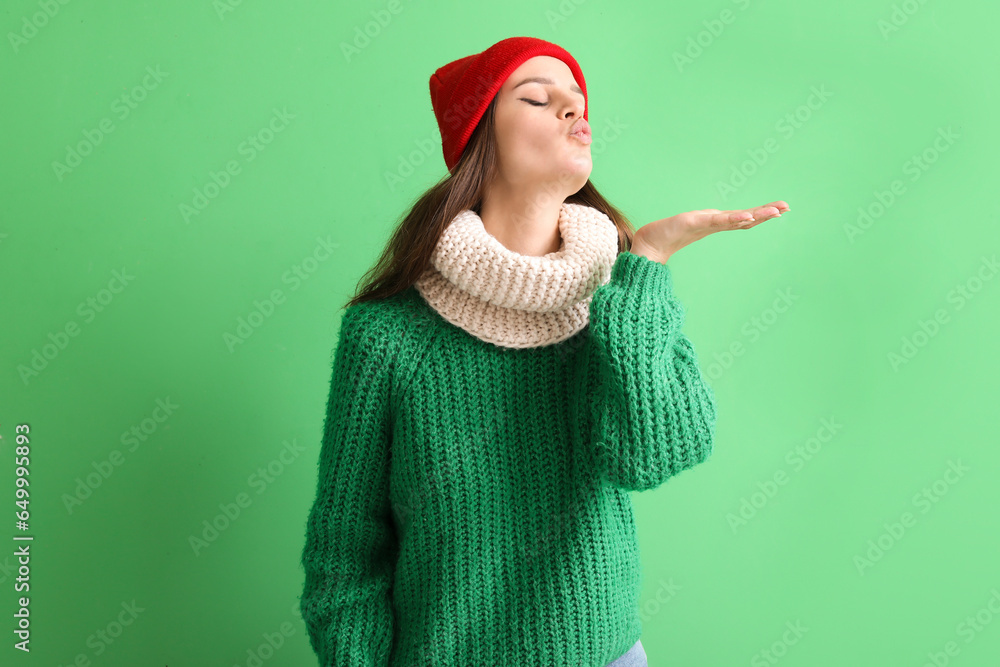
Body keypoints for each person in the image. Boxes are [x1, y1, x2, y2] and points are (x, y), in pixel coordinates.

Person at [298, 35, 789, 667]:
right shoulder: (388, 337)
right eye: (538, 97)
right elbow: (344, 553)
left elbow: (658, 455)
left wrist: (648, 267)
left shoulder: (620, 301)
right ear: (481, 137)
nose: (573, 112)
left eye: (579, 103)